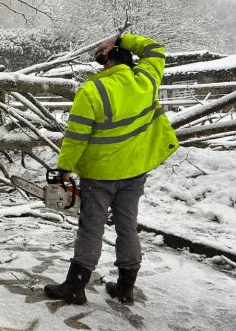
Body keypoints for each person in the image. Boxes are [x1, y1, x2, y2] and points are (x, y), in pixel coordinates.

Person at [44, 32, 178, 306]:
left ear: (107, 61)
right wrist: (121, 38)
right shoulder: (147, 81)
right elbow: (155, 49)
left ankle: (75, 286)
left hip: (100, 175)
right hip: (135, 172)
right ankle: (126, 288)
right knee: (127, 226)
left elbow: (77, 137)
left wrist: (64, 169)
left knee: (91, 228)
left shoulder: (92, 91)